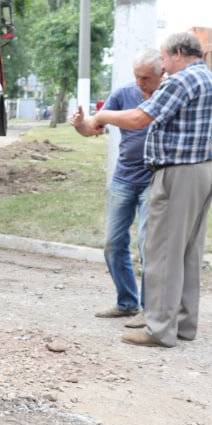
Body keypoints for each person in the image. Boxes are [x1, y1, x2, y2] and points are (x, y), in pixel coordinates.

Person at [82, 31, 212, 348]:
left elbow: (139, 117)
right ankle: (185, 324)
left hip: (177, 174)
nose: (163, 66)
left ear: (177, 54)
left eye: (163, 58)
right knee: (189, 252)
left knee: (162, 252)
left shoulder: (181, 81)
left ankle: (159, 329)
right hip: (203, 170)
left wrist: (102, 115)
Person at [70, 50, 163, 322]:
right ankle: (127, 302)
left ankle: (149, 310)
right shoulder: (124, 94)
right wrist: (79, 124)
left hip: (154, 180)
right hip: (124, 178)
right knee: (113, 243)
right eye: (136, 77)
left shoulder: (168, 95)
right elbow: (92, 127)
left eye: (146, 77)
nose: (140, 83)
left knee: (148, 246)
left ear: (161, 74)